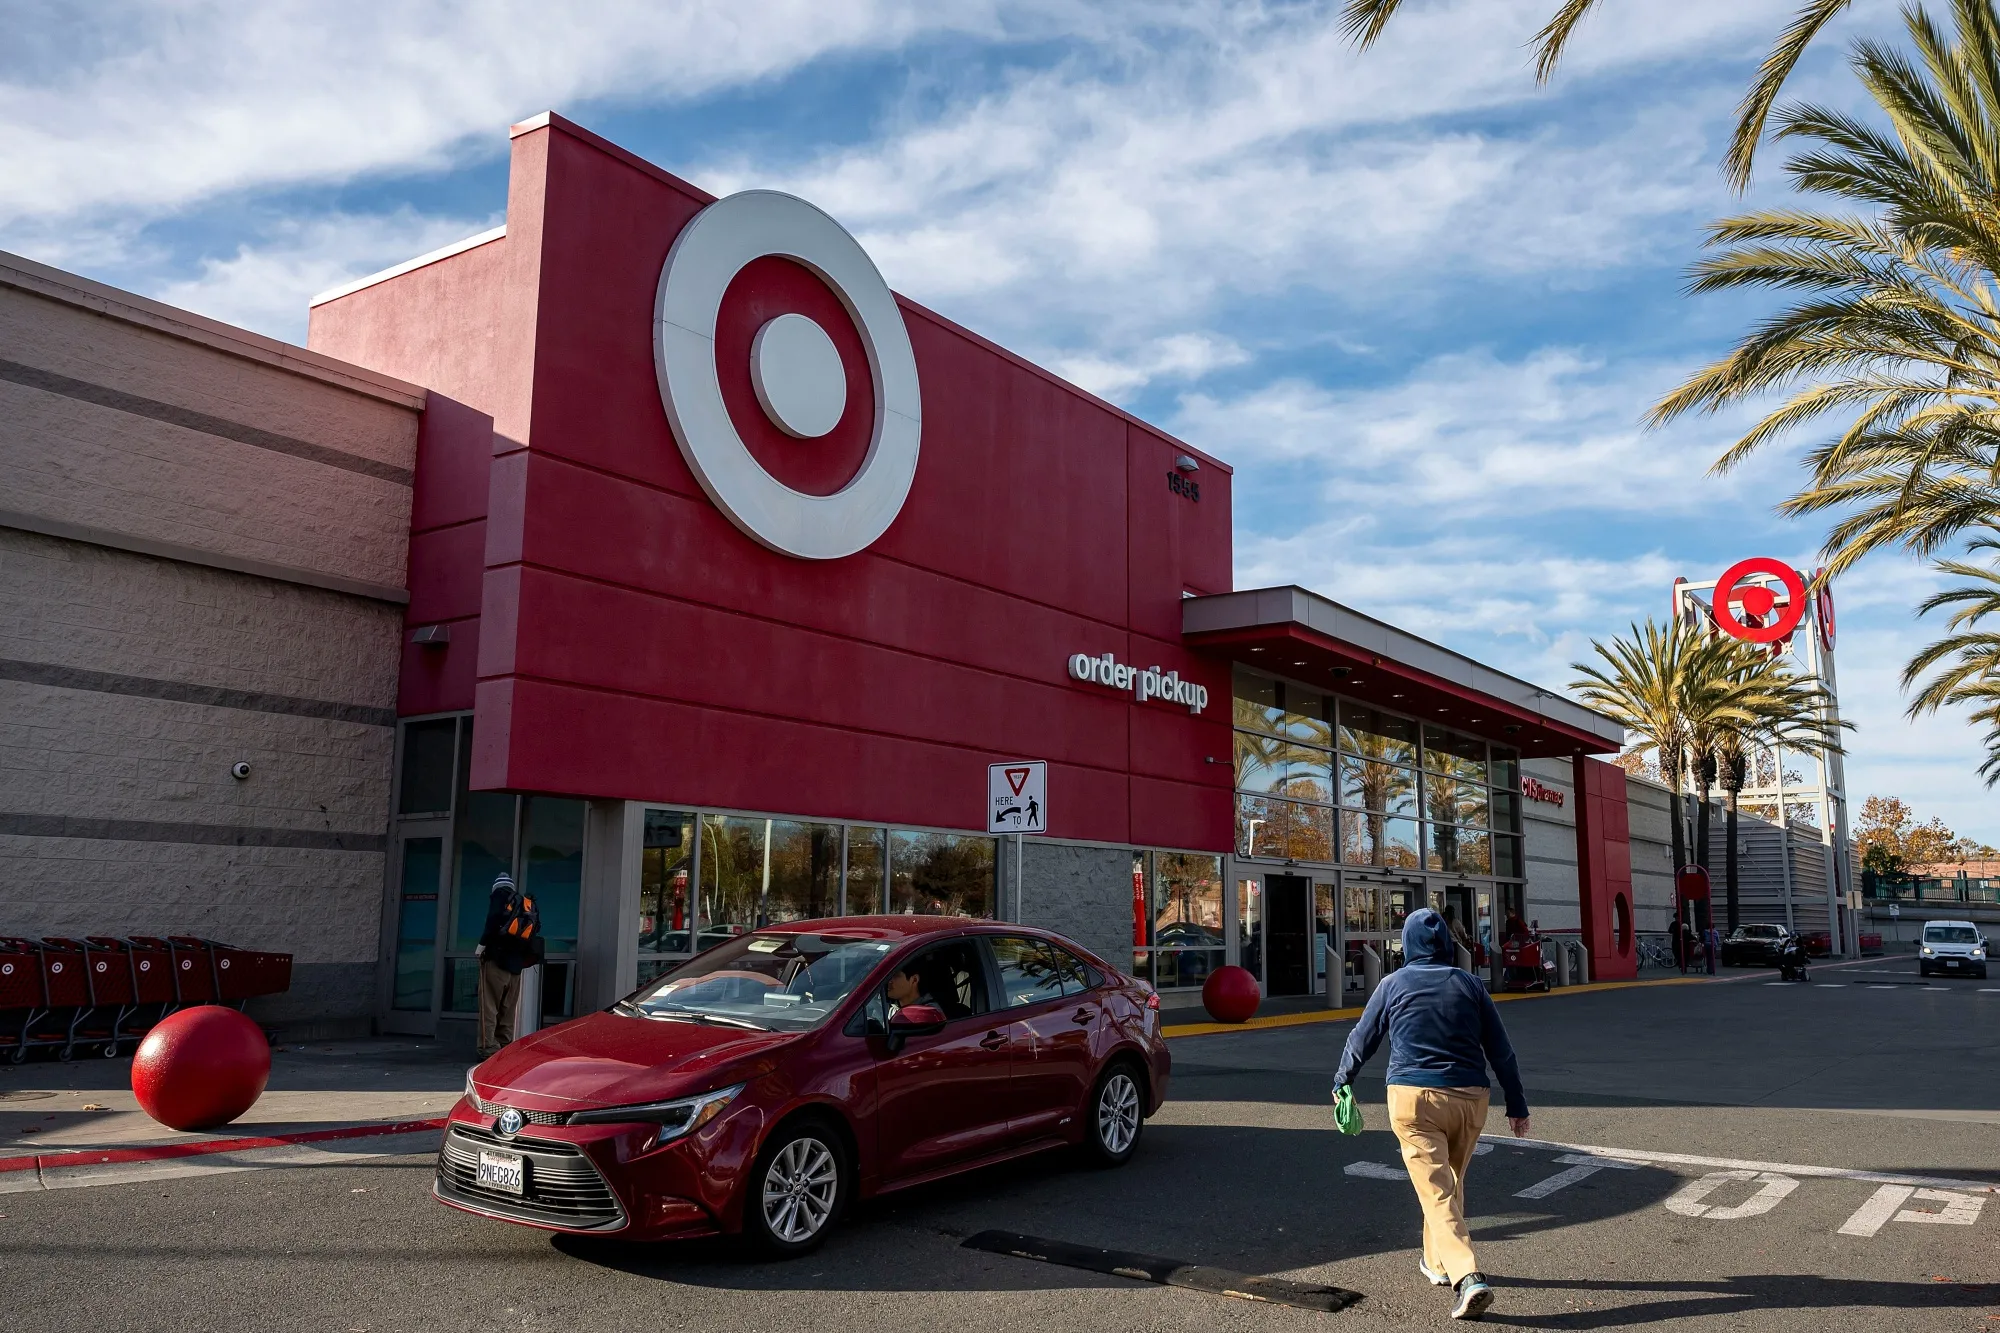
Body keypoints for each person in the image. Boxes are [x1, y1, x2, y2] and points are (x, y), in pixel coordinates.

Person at [1331, 909, 1531, 1322]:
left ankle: (1467, 1275)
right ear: (1445, 945)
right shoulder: (1471, 985)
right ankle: (1435, 1263)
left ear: (1406, 945)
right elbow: (1501, 1051)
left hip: (1413, 1098)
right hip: (1469, 1097)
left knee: (1437, 1190)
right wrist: (1517, 1105)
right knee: (1447, 1184)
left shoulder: (1392, 984)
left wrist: (1342, 1080)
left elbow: (1362, 1037)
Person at [476, 873, 542, 1058]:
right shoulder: (524, 905)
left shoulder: (499, 896)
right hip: (516, 966)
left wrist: (481, 946)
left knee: (489, 1006)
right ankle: (504, 1046)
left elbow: (492, 921)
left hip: (496, 961)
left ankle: (488, 1047)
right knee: (508, 1009)